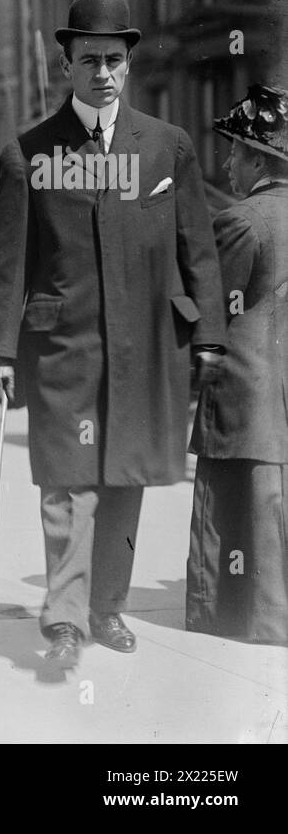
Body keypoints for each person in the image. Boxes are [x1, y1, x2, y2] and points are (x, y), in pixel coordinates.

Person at [0, 0, 226, 668]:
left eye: (115, 59)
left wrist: (208, 334)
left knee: (125, 478)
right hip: (63, 347)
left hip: (147, 346)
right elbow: (7, 264)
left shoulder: (167, 146)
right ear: (67, 64)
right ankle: (63, 622)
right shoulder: (29, 152)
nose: (103, 72)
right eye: (89, 59)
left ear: (129, 64)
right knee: (67, 481)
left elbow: (196, 249)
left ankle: (106, 608)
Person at [187, 84, 288, 645]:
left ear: (257, 157)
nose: (226, 163)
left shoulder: (242, 221)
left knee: (228, 521)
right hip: (280, 398)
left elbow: (209, 311)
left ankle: (234, 621)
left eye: (232, 151)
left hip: (242, 401)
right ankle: (274, 620)